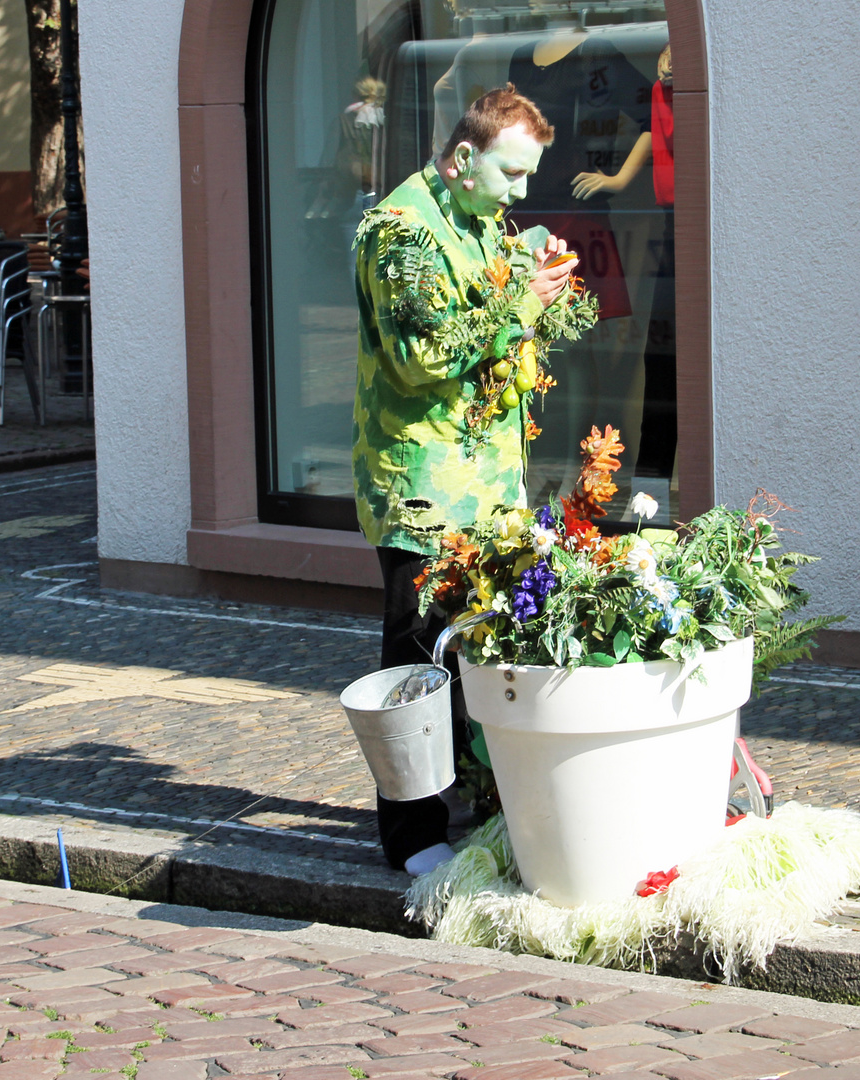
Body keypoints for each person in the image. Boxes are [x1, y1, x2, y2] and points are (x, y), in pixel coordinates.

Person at [352, 85, 577, 876]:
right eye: (512, 175)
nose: (521, 192)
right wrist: (520, 302)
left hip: (482, 484)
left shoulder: (477, 218)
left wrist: (535, 274)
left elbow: (488, 321)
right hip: (421, 488)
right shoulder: (401, 233)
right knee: (419, 661)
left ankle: (476, 810)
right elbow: (421, 360)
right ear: (462, 159)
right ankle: (412, 839)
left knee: (476, 654)